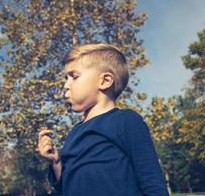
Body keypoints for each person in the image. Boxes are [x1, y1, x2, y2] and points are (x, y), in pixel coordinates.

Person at [37, 44, 169, 196]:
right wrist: (56, 161)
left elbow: (152, 182)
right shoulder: (74, 132)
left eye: (74, 76)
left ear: (105, 81)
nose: (66, 85)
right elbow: (66, 186)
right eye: (66, 78)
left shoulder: (126, 121)